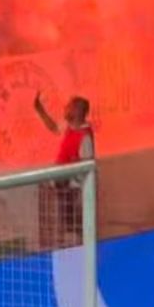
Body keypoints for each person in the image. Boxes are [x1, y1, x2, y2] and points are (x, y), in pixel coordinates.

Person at [33, 92, 94, 245]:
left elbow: (86, 166)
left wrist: (69, 181)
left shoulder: (84, 136)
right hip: (62, 185)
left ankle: (79, 244)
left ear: (77, 112)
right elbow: (53, 127)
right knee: (64, 219)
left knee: (72, 220)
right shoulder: (70, 128)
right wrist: (40, 110)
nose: (65, 109)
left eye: (69, 107)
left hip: (72, 189)